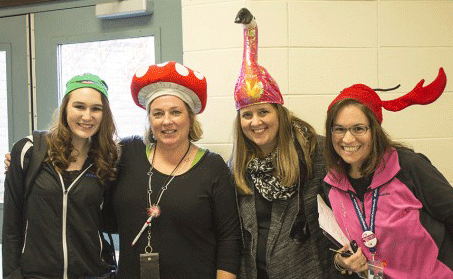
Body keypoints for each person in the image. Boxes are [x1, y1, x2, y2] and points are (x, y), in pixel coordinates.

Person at [231, 8, 348, 278]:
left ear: (279, 114)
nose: (255, 122)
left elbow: (347, 209)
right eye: (247, 115)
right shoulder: (238, 166)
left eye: (264, 112)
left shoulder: (314, 152)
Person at [102, 61, 242, 279]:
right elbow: (103, 214)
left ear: (190, 117)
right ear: (149, 119)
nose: (166, 121)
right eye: (158, 114)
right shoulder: (127, 154)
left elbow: (230, 239)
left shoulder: (213, 168)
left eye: (175, 112)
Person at [323, 68, 453, 278]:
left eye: (358, 129)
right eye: (339, 129)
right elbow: (342, 246)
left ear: (375, 130)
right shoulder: (332, 184)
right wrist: (342, 260)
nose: (347, 139)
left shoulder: (408, 167)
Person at [3, 73, 119, 278]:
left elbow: (112, 219)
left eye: (96, 109)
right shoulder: (29, 151)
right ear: (65, 108)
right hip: (36, 274)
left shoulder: (107, 159)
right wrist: (12, 275)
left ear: (104, 114)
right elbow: (12, 225)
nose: (87, 116)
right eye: (79, 106)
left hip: (92, 273)